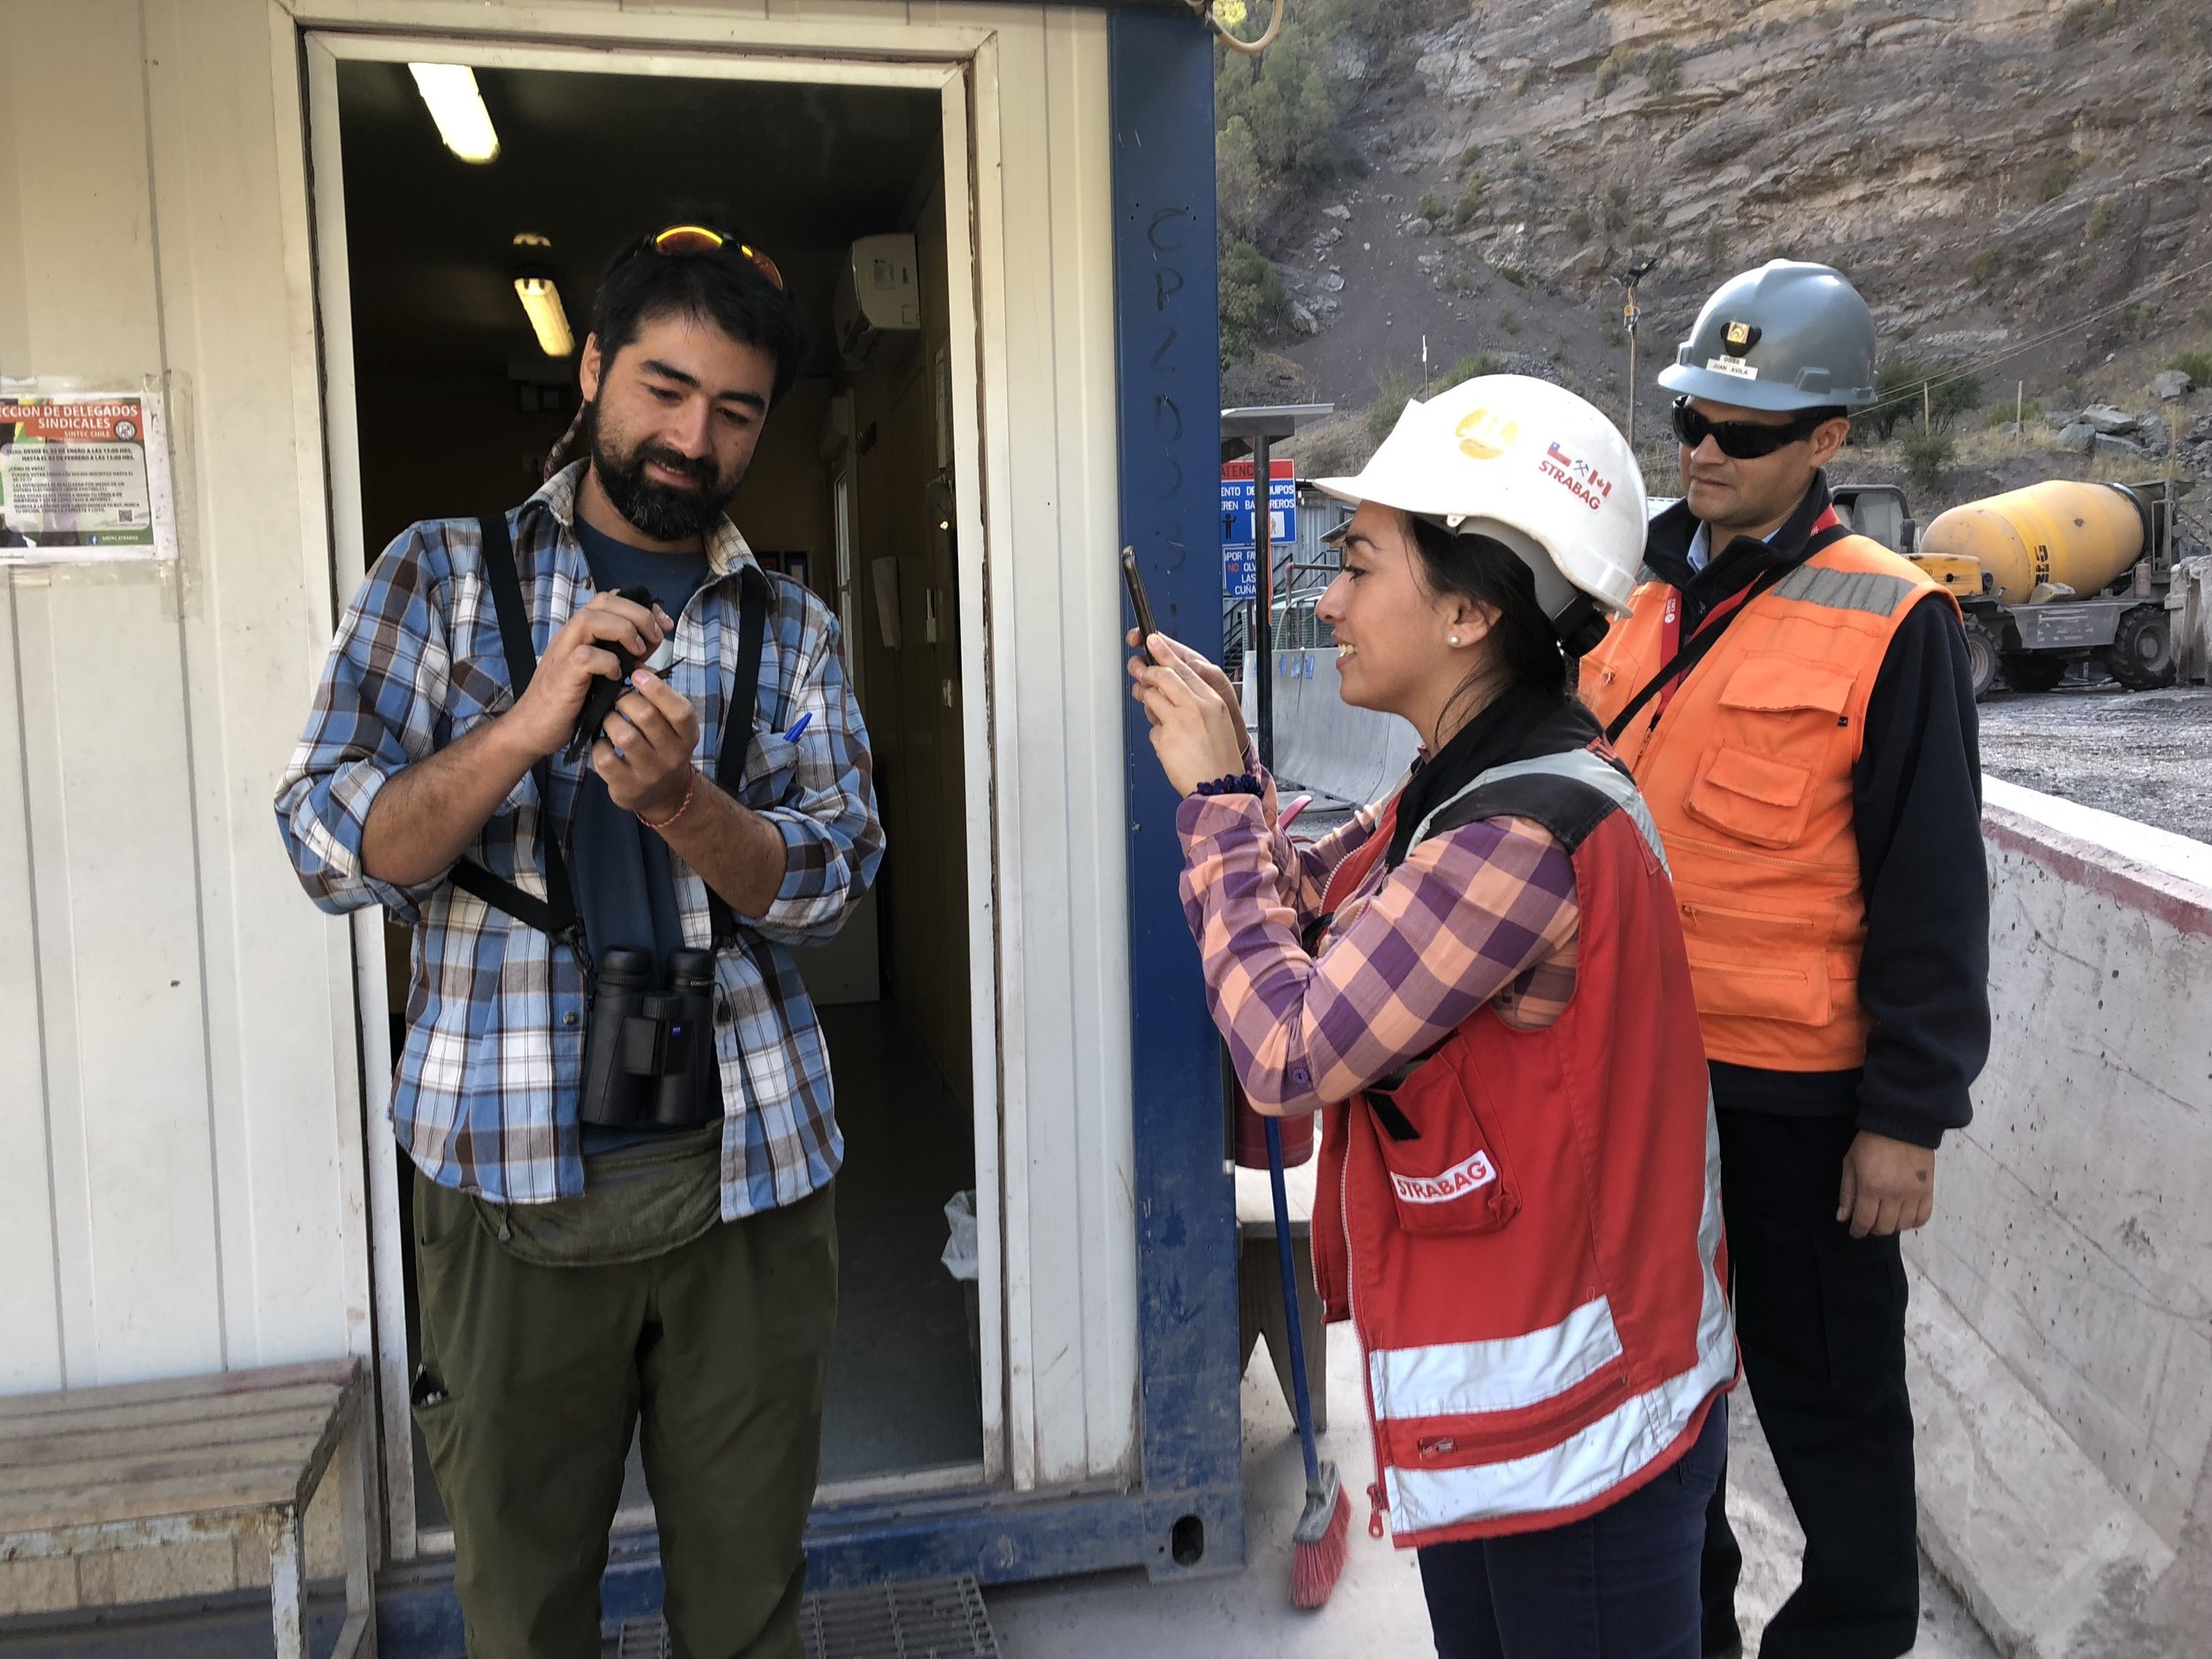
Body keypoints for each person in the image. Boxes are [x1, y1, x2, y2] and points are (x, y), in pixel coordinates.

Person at [276, 223, 884, 1659]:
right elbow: (326, 842)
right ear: (596, 368)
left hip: (750, 1174)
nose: (694, 436)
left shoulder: (787, 624)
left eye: (734, 411)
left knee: (748, 1601)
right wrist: (525, 728)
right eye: (665, 390)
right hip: (503, 1176)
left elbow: (832, 876)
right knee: (524, 1602)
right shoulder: (437, 577)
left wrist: (684, 803)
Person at [1131, 376, 1737, 1659]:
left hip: (1582, 1447)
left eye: (1357, 567)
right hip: (1512, 1427)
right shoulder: (1457, 789)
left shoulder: (1523, 831)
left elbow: (1293, 1051)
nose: (1329, 602)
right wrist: (1237, 776)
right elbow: (1313, 907)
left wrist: (1214, 810)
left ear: (1470, 610)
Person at [1578, 261, 1991, 1659]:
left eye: (1744, 431)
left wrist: (1904, 1120)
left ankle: (1846, 1637)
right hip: (1633, 1087)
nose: (1704, 446)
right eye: (1694, 414)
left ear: (1827, 442)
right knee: (1659, 1400)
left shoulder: (1893, 620)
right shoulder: (1624, 588)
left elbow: (1934, 896)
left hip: (1798, 1108)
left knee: (1833, 1409)